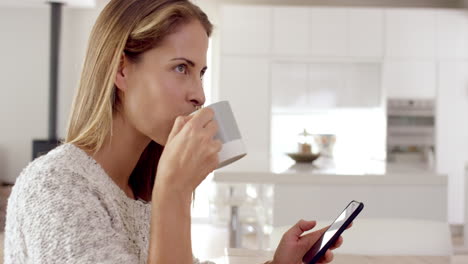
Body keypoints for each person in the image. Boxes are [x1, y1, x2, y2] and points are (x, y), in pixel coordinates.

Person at [4, 0, 347, 263]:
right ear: (121, 70)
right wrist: (175, 193)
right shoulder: (54, 188)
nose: (199, 94)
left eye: (201, 72)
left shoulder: (140, 189)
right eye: (181, 68)